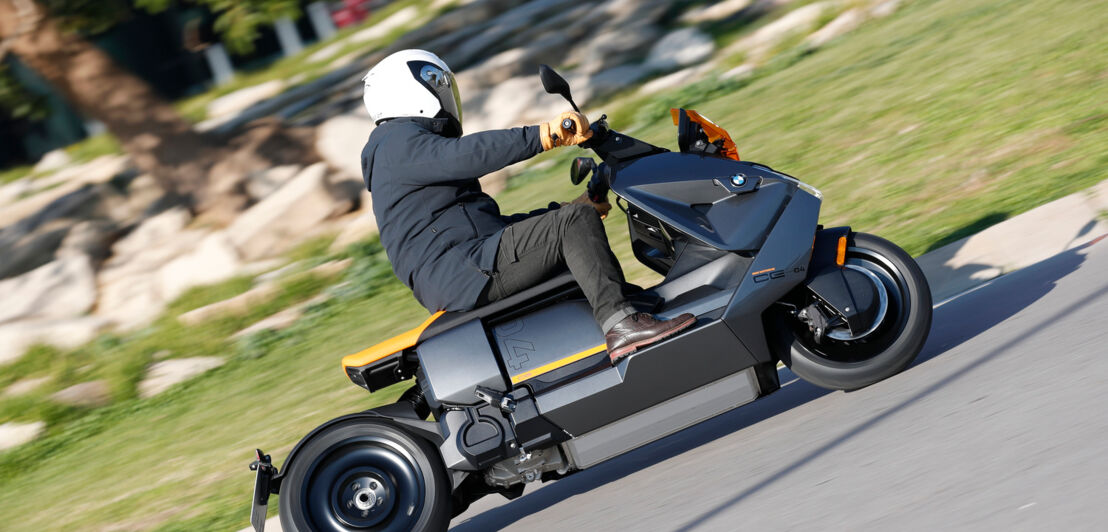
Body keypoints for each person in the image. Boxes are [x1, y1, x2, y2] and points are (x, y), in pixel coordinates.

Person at [360, 49, 694, 363]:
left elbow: (491, 229)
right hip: (465, 271)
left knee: (572, 219)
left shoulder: (404, 150)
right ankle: (621, 325)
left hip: (466, 265)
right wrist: (546, 134)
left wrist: (567, 208)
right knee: (571, 222)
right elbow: (469, 154)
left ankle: (641, 308)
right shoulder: (395, 141)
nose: (446, 94)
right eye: (436, 83)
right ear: (407, 91)